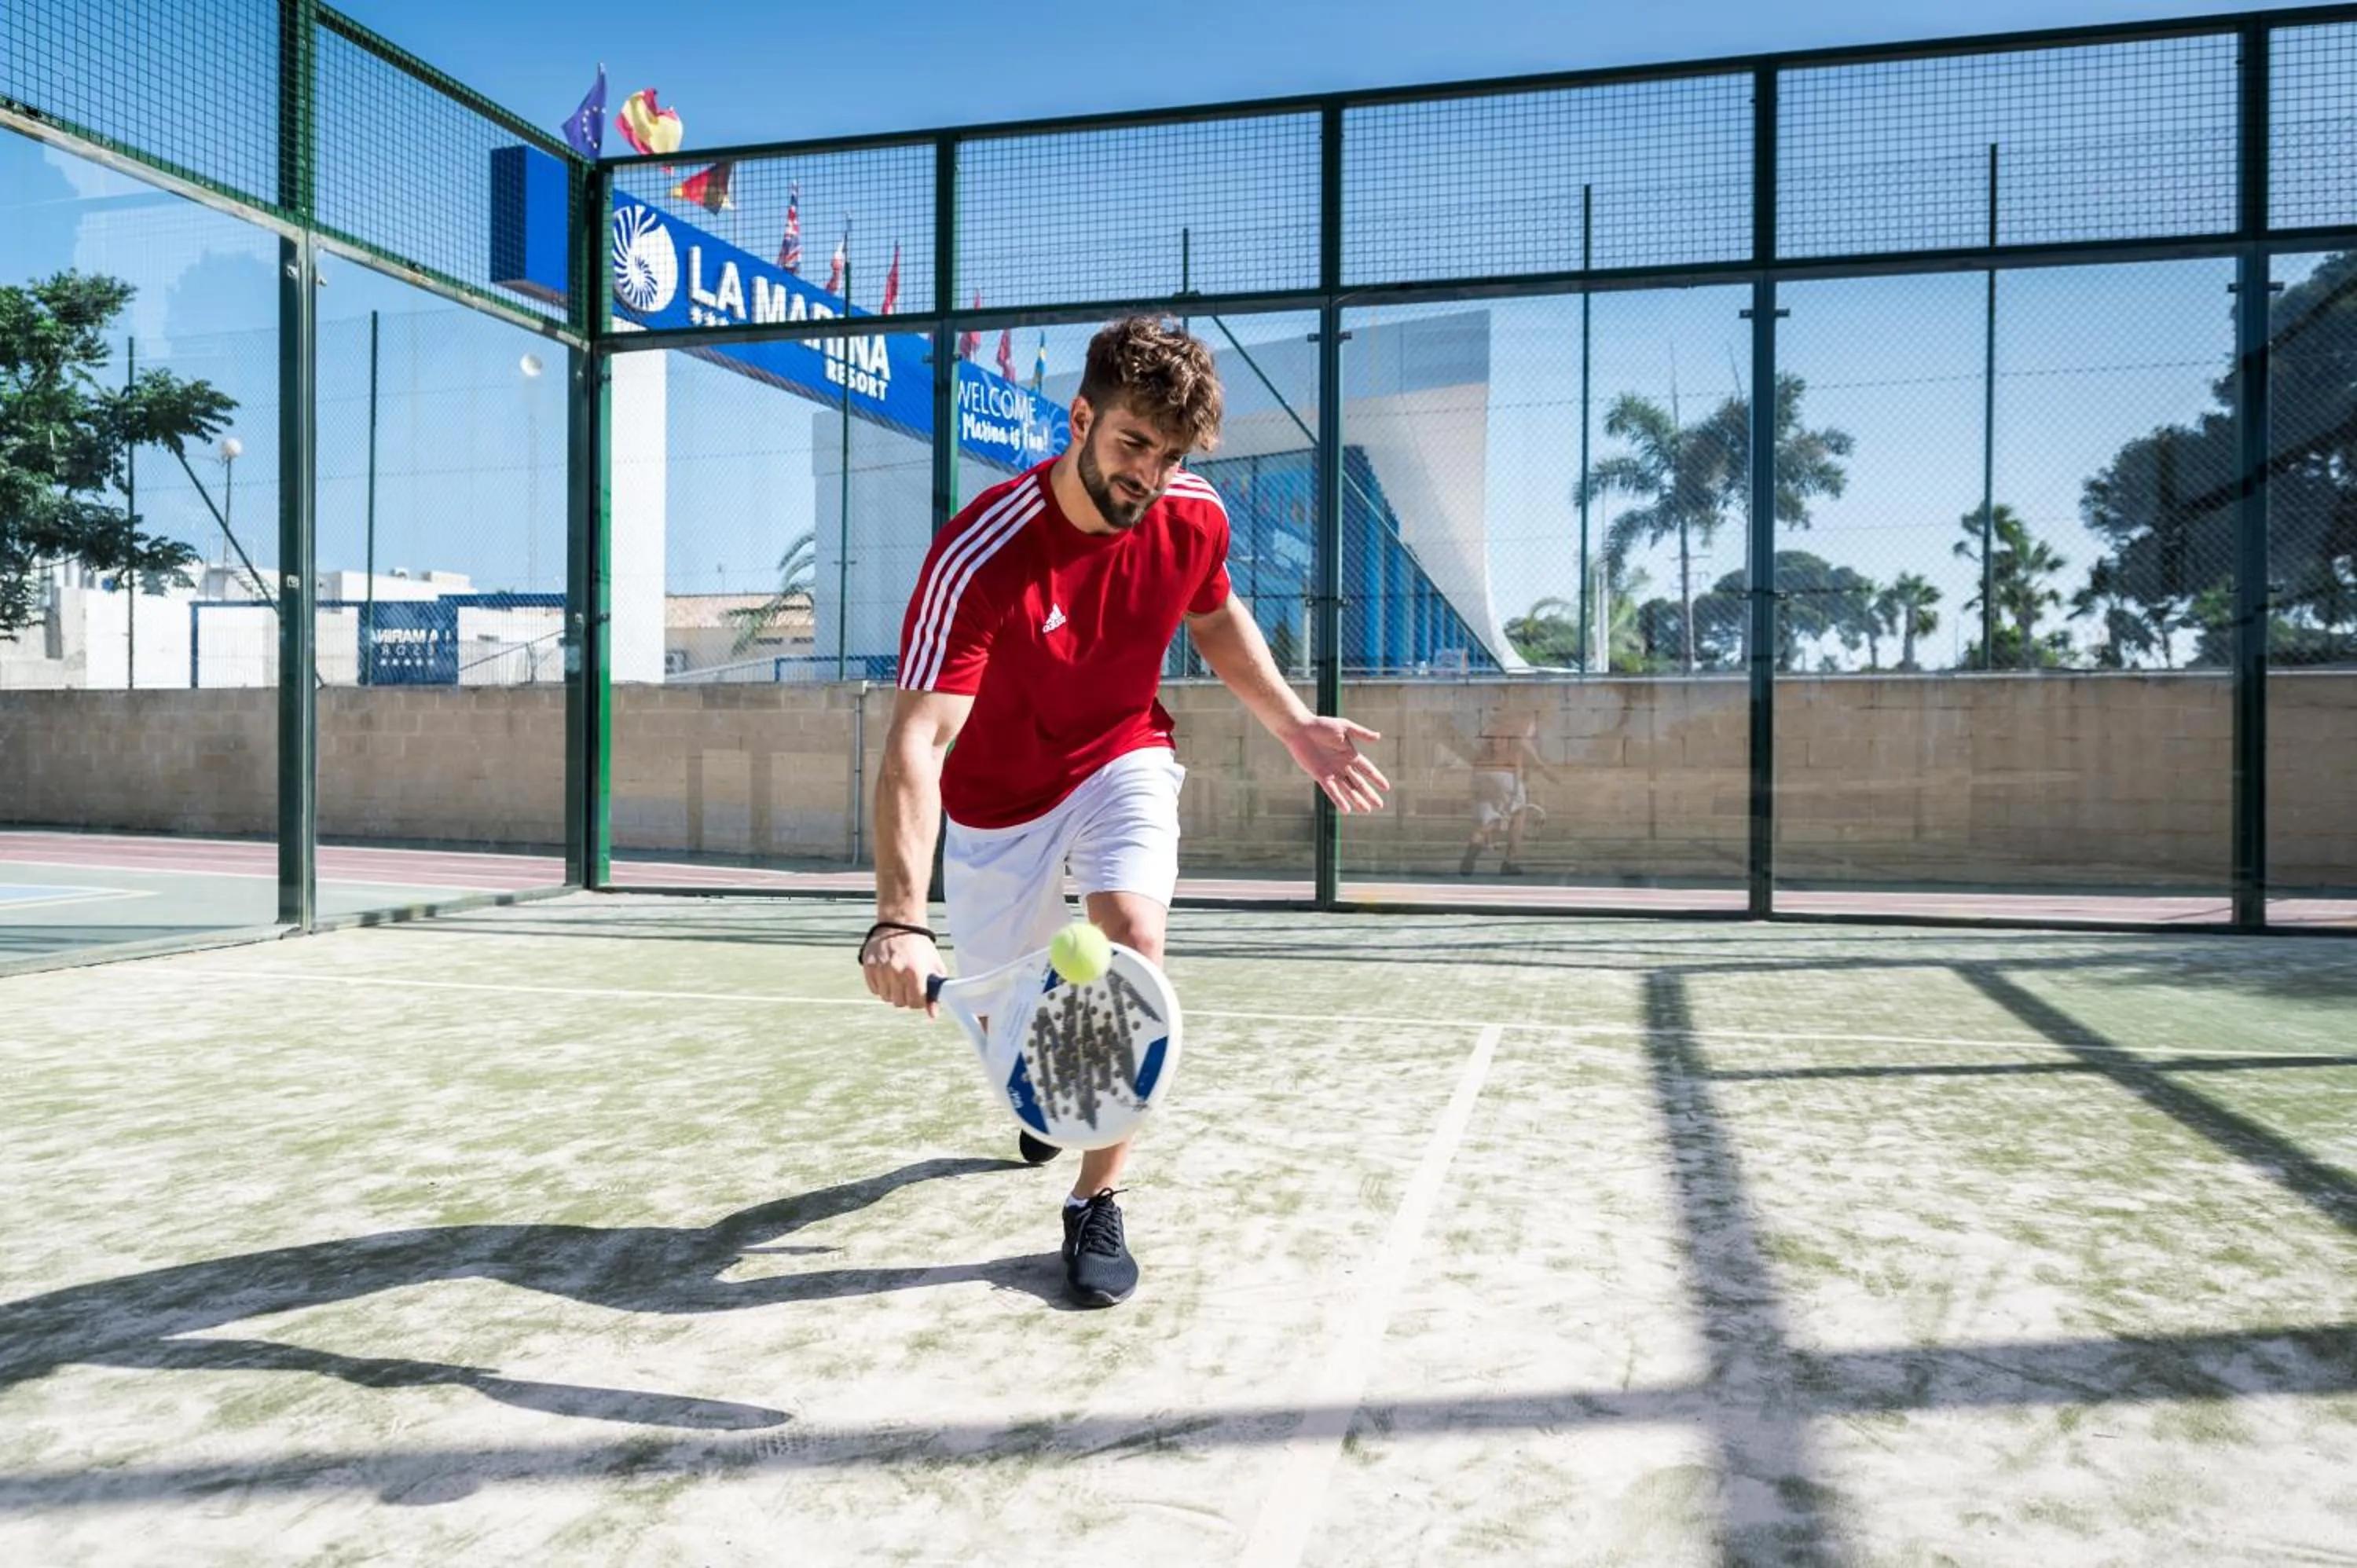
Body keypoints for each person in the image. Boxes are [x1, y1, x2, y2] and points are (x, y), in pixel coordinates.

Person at [860, 317, 1390, 1308]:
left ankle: (1095, 1197)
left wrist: (1292, 723)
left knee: (1135, 937)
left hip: (1120, 755)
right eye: (1131, 444)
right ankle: (1043, 1076)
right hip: (997, 804)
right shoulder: (980, 556)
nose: (1148, 474)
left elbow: (1214, 611)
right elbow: (919, 743)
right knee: (1009, 1025)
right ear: (1081, 418)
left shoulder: (1190, 516)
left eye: (1171, 454)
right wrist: (899, 917)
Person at [1459, 709, 1556, 877]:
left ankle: (1471, 854)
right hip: (1505, 775)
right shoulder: (1521, 725)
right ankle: (1510, 862)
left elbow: (1476, 755)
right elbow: (1524, 746)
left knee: (1486, 822)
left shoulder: (1492, 729)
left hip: (1480, 775)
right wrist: (1545, 769)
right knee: (1518, 815)